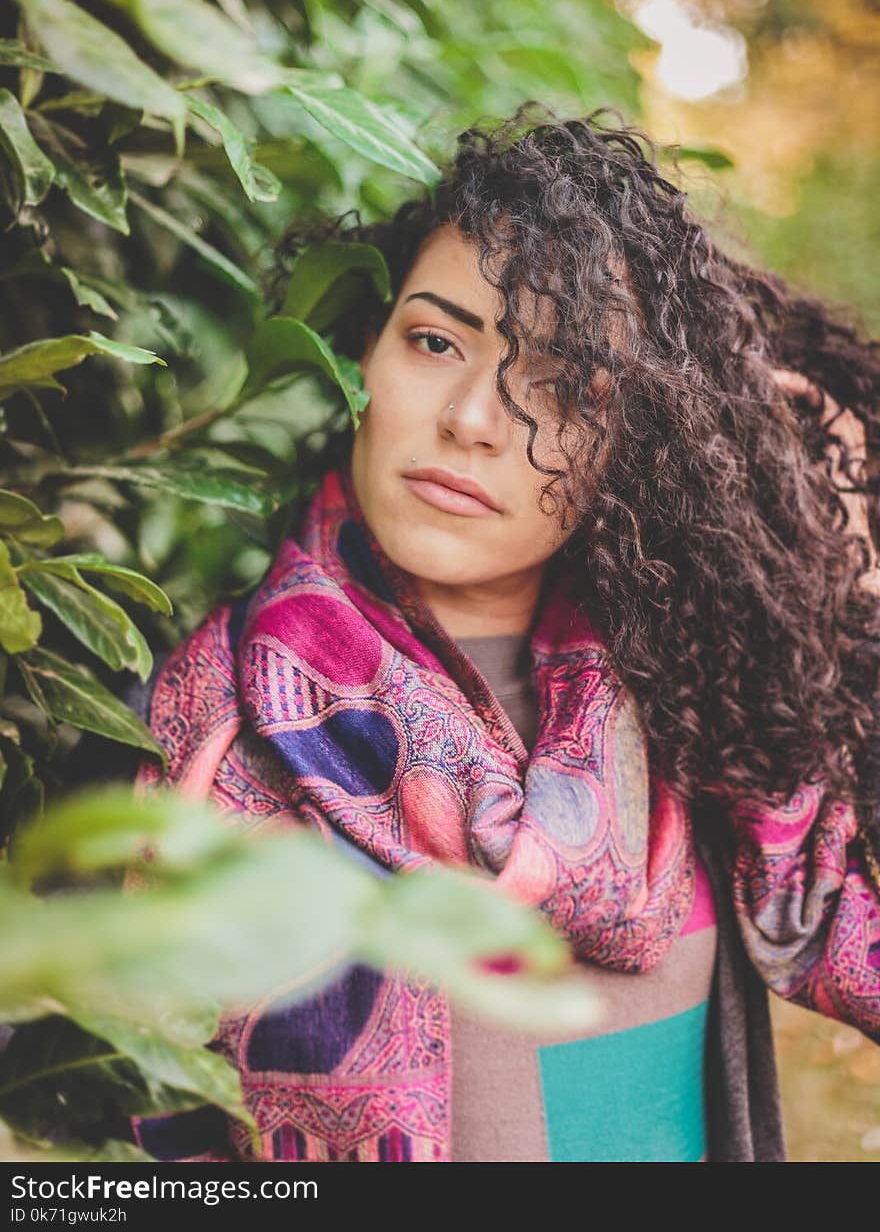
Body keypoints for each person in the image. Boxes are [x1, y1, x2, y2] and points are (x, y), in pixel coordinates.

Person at [123, 106, 880, 1163]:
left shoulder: (704, 714)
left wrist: (836, 574)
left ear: (639, 444)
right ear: (364, 359)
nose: (474, 416)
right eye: (436, 340)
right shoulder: (178, 739)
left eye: (563, 382)